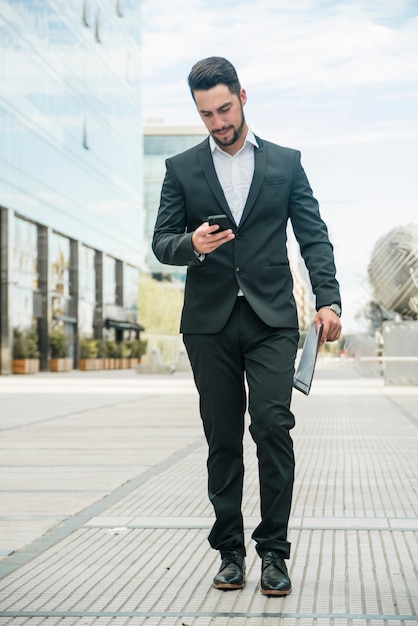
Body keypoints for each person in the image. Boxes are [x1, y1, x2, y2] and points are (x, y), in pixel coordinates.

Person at [152, 56, 342, 596]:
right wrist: (190, 244)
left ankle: (275, 553)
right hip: (209, 324)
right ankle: (230, 552)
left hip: (271, 320)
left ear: (243, 96)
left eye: (224, 108)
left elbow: (313, 235)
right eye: (206, 114)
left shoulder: (285, 163)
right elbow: (161, 241)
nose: (218, 122)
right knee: (222, 437)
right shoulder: (181, 168)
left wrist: (328, 300)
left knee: (273, 426)